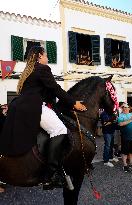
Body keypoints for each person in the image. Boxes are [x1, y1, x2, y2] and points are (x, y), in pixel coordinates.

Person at [0, 46, 87, 187]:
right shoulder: (42, 68)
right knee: (59, 130)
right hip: (33, 106)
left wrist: (67, 104)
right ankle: (50, 174)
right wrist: (73, 103)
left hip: (20, 106)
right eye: (46, 55)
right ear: (40, 55)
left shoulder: (28, 72)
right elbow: (55, 89)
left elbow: (48, 94)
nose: (47, 58)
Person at [118, 104, 132, 172]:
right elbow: (121, 124)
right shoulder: (120, 115)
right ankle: (125, 165)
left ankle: (131, 164)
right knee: (124, 151)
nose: (124, 108)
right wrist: (131, 120)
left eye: (126, 107)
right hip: (125, 136)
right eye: (123, 107)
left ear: (129, 108)